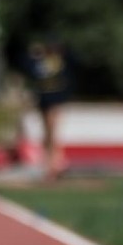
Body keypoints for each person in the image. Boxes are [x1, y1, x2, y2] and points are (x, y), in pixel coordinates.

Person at [20, 35, 75, 179]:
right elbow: (30, 68)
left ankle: (55, 163)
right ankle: (50, 163)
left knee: (52, 131)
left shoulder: (59, 61)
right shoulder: (40, 61)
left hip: (55, 98)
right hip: (43, 98)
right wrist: (33, 55)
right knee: (47, 133)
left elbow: (71, 63)